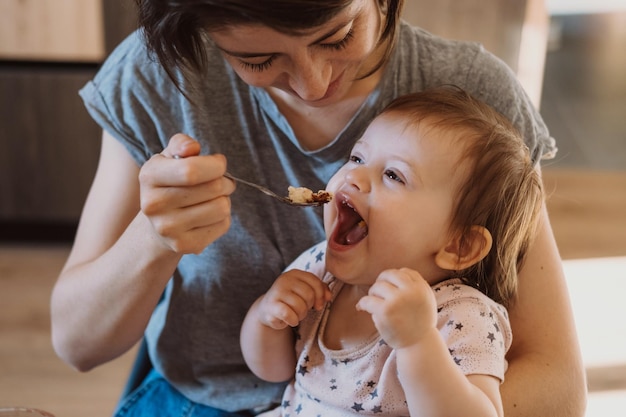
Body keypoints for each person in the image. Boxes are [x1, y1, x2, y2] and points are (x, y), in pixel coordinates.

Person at [49, 1, 586, 416]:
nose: (314, 84)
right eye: (258, 59)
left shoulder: (477, 104)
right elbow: (77, 345)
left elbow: (558, 387)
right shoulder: (158, 75)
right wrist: (156, 236)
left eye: (338, 36)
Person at [241, 86, 543, 416]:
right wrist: (267, 318)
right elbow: (273, 371)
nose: (354, 175)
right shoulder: (318, 269)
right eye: (357, 158)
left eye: (393, 175)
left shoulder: (460, 316)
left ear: (459, 246)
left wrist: (417, 342)